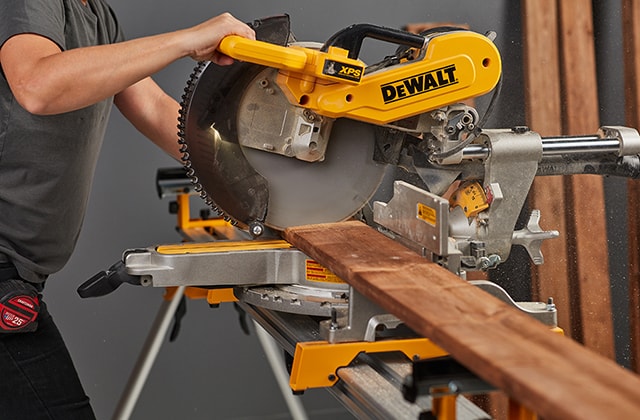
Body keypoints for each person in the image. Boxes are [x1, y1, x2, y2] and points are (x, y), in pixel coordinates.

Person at [0, 1, 255, 418]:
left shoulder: (98, 14)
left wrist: (261, 172)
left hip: (18, 274)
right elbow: (37, 84)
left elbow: (154, 109)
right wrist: (187, 40)